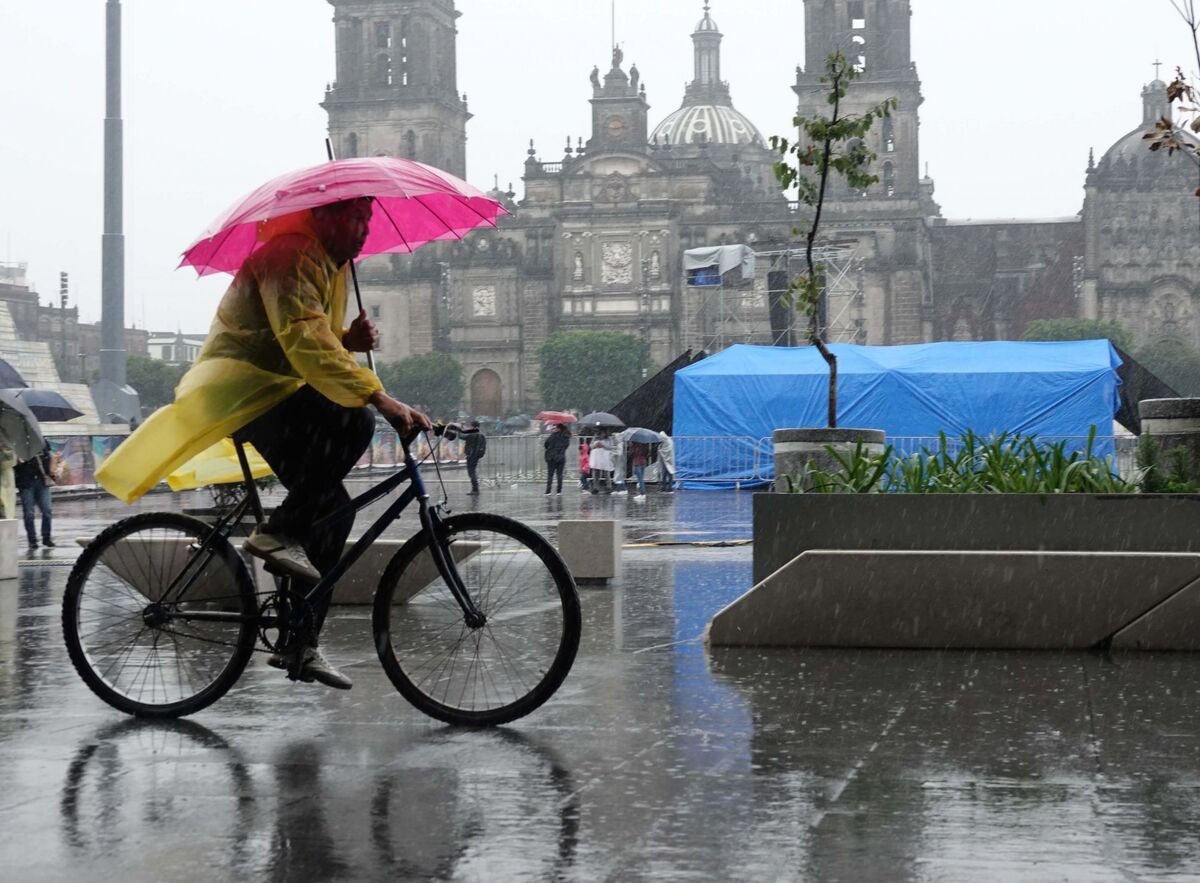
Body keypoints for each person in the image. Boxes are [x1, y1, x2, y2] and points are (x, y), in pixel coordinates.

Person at [96, 198, 432, 691]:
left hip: (273, 388)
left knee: (332, 510)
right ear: (322, 217)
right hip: (242, 388)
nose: (363, 229)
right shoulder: (291, 255)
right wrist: (379, 397)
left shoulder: (329, 266)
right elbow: (302, 341)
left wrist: (347, 340)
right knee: (356, 423)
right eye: (353, 217)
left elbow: (310, 335)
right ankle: (275, 534)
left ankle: (301, 640)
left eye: (367, 219)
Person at [14, 443, 54, 549]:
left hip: (42, 480)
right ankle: (32, 540)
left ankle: (46, 537)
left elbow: (50, 456)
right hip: (25, 482)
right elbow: (13, 462)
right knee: (29, 513)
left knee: (47, 510)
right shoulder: (18, 443)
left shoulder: (41, 441)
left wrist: (51, 471)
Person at [543, 423, 571, 495]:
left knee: (550, 475)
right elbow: (566, 446)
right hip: (561, 457)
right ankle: (559, 491)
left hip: (551, 457)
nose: (555, 428)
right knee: (559, 475)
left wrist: (550, 449)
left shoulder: (553, 435)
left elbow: (546, 444)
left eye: (556, 427)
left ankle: (548, 491)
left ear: (558, 428)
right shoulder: (566, 436)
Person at [462, 419, 486, 494]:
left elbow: (461, 436)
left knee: (471, 472)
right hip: (476, 455)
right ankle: (475, 489)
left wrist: (460, 427)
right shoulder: (481, 435)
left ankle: (475, 489)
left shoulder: (472, 434)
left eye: (470, 426)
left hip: (471, 455)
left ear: (473, 426)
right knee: (473, 471)